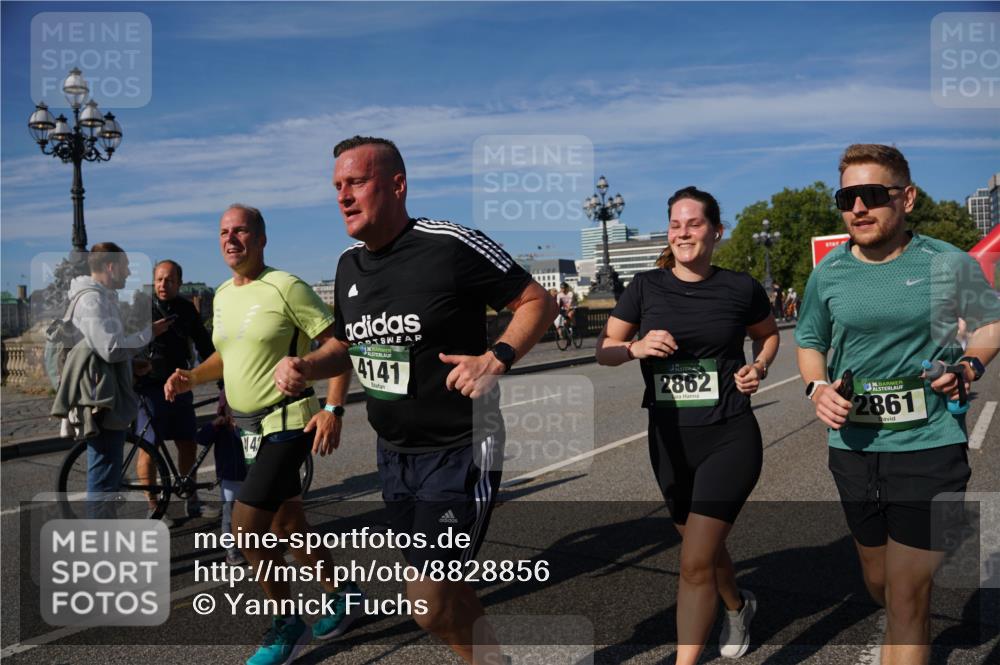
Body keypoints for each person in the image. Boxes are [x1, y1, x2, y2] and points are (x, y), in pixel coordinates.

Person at [272, 135, 556, 664]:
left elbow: (537, 300)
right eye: (337, 186)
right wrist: (309, 365)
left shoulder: (449, 244)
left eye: (356, 182)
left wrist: (495, 357)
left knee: (427, 604)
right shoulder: (347, 265)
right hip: (395, 455)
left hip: (461, 446)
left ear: (397, 185)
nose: (343, 196)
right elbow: (347, 344)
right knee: (450, 594)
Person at [795, 144, 1000, 665]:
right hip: (854, 448)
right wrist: (817, 389)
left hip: (931, 447)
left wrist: (969, 367)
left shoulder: (947, 261)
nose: (858, 208)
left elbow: (988, 325)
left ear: (906, 197)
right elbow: (811, 341)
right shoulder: (829, 273)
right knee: (879, 581)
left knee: (909, 597)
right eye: (847, 197)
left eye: (872, 195)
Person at [164, 204, 356, 665]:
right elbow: (226, 358)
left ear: (261, 238)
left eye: (241, 231)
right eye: (224, 232)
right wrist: (191, 376)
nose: (231, 239)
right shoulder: (224, 295)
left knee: (247, 531)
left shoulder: (285, 285)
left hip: (289, 423)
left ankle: (286, 623)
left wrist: (333, 407)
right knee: (288, 525)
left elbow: (339, 344)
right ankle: (343, 595)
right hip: (248, 430)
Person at [596, 186, 779, 665]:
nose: (683, 232)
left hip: (729, 434)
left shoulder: (740, 287)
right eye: (675, 224)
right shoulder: (644, 288)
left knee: (694, 561)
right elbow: (606, 349)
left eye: (693, 223)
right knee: (704, 549)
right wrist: (634, 348)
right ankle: (739, 606)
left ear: (716, 231)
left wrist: (757, 367)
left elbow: (768, 336)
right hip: (671, 442)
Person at [51, 242, 169, 516]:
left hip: (106, 396)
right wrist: (148, 333)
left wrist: (131, 363)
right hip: (101, 402)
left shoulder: (101, 298)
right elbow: (111, 348)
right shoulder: (92, 300)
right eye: (126, 268)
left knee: (108, 479)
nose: (128, 275)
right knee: (103, 483)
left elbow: (103, 351)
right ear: (111, 266)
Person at [137, 259, 219, 521]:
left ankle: (191, 499)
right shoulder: (141, 308)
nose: (163, 284)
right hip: (150, 386)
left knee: (188, 444)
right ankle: (154, 506)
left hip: (181, 383)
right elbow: (121, 344)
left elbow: (204, 344)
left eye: (170, 280)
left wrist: (221, 376)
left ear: (179, 283)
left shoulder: (185, 309)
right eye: (159, 279)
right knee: (149, 448)